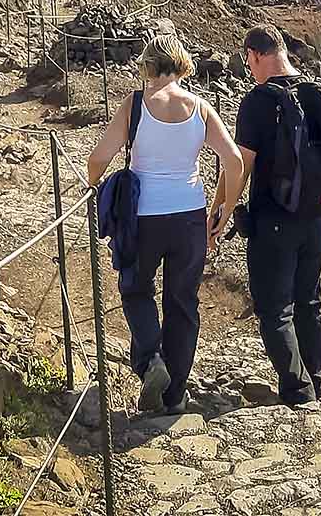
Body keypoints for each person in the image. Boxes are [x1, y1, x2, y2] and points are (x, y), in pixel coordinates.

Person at [88, 33, 243, 414]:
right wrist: (223, 210)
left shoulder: (136, 105)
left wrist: (95, 190)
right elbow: (235, 162)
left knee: (136, 289)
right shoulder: (202, 108)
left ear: (148, 65)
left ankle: (149, 362)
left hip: (143, 216)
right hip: (190, 216)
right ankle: (173, 395)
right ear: (183, 65)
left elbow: (97, 160)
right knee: (183, 302)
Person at [211, 24, 321, 405]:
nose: (250, 70)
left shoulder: (258, 102)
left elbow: (240, 167)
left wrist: (221, 213)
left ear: (257, 55)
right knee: (309, 301)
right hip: (317, 219)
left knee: (275, 308)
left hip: (272, 221)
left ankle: (298, 391)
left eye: (248, 62)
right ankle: (317, 381)